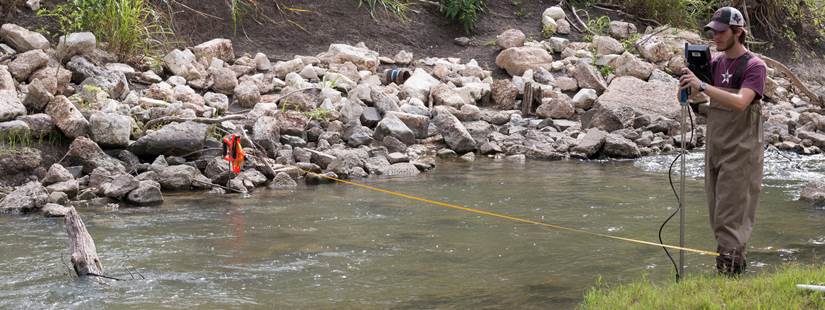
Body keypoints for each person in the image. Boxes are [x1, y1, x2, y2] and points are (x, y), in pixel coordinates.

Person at [679, 6, 767, 276]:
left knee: (731, 219)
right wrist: (689, 92)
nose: (715, 37)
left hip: (742, 152)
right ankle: (731, 275)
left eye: (721, 31)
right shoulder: (714, 63)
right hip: (715, 148)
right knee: (718, 217)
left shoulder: (754, 66)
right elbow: (706, 104)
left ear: (738, 32)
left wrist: (703, 86)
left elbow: (741, 103)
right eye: (712, 32)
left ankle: (729, 277)